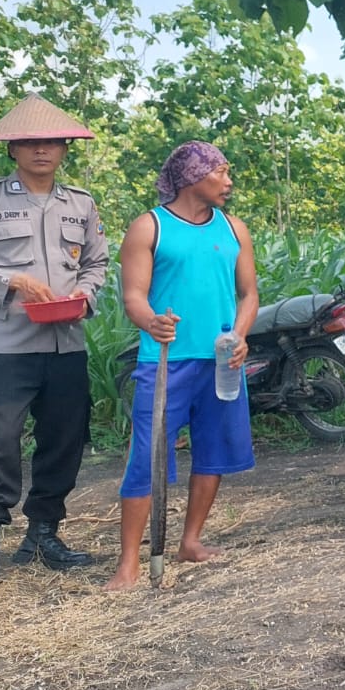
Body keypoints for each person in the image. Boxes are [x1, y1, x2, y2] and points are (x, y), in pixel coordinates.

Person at [0, 96, 108, 599]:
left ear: (63, 148)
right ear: (13, 148)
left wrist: (85, 293)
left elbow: (96, 263)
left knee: (65, 439)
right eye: (31, 141)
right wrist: (12, 281)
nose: (42, 148)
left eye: (51, 141)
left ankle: (43, 535)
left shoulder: (80, 203)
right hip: (9, 347)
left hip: (67, 344)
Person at [105, 141, 257, 590]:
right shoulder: (149, 227)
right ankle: (129, 562)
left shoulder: (233, 229)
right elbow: (133, 295)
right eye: (221, 173)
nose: (228, 182)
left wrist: (241, 335)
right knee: (147, 457)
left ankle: (190, 541)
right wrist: (151, 321)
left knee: (212, 451)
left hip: (220, 360)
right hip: (165, 361)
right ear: (194, 175)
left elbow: (249, 294)